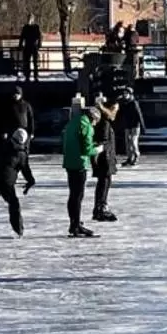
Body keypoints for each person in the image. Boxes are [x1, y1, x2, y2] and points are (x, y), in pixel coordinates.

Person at [62, 95, 97, 237]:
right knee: (78, 195)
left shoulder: (72, 123)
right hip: (80, 163)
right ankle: (75, 226)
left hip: (69, 162)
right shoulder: (86, 126)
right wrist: (97, 149)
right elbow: (87, 149)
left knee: (72, 195)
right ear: (93, 118)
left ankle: (74, 223)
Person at [90, 95, 120, 223]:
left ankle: (101, 206)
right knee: (104, 182)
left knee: (105, 181)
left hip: (106, 156)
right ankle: (100, 208)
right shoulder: (104, 122)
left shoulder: (103, 121)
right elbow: (101, 141)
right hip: (104, 157)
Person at [9, 86, 38, 190]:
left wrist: (32, 132)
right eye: (14, 94)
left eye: (17, 94)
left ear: (20, 94)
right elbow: (6, 119)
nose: (15, 96)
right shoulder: (10, 105)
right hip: (14, 134)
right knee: (13, 155)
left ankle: (27, 175)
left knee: (23, 156)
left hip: (25, 135)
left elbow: (31, 119)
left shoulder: (26, 105)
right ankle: (14, 175)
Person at [115, 87, 145, 167]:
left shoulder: (134, 103)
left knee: (133, 141)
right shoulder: (124, 103)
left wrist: (142, 126)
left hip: (135, 125)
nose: (125, 95)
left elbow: (139, 115)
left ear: (130, 94)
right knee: (127, 142)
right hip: (127, 125)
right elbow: (120, 113)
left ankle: (136, 156)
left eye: (126, 93)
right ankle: (129, 158)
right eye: (124, 94)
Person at [18, 17, 43, 81]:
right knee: (28, 62)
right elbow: (22, 37)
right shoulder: (27, 27)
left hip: (32, 46)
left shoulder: (34, 27)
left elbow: (39, 36)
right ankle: (28, 76)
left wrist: (39, 44)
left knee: (34, 62)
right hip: (29, 46)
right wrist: (20, 45)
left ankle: (34, 76)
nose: (29, 20)